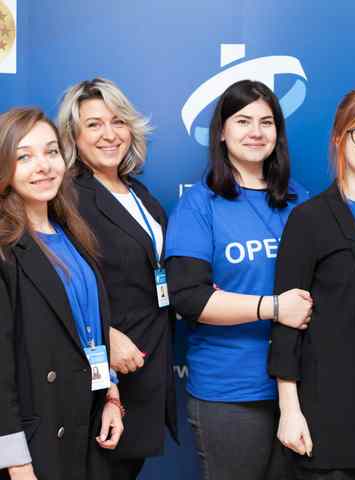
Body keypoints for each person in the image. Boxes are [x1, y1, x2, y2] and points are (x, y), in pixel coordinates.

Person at [165, 79, 312, 480]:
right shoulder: (199, 205)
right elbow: (190, 298)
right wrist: (274, 307)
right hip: (230, 392)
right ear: (221, 131)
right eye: (243, 121)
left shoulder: (300, 200)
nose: (256, 132)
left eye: (266, 122)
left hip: (299, 388)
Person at [268, 86, 355, 479]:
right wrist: (289, 410)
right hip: (326, 411)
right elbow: (286, 323)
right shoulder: (309, 219)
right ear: (338, 139)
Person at [57, 78, 177, 480]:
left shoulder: (139, 193)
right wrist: (105, 336)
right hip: (101, 380)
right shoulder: (66, 197)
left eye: (118, 121)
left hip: (146, 368)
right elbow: (55, 287)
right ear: (74, 135)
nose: (109, 134)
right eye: (93, 125)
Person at [0, 108, 123, 480]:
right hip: (36, 439)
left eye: (51, 152)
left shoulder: (71, 232)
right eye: (24, 156)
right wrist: (15, 462)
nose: (43, 166)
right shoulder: (5, 248)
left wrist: (110, 394)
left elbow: (88, 327)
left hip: (85, 424)